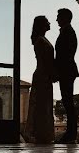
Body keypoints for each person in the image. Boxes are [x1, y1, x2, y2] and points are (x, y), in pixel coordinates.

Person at [23, 15, 55, 144]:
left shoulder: (41, 40)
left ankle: (40, 134)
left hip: (42, 74)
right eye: (47, 21)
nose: (50, 23)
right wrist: (53, 74)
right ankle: (41, 134)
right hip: (43, 75)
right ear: (42, 25)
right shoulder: (41, 41)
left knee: (42, 105)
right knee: (42, 105)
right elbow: (46, 61)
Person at [54, 7, 79, 143]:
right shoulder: (67, 31)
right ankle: (70, 134)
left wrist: (57, 71)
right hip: (67, 71)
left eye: (59, 16)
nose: (56, 19)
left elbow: (64, 55)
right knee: (67, 102)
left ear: (65, 18)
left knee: (68, 103)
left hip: (66, 71)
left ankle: (70, 135)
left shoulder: (67, 32)